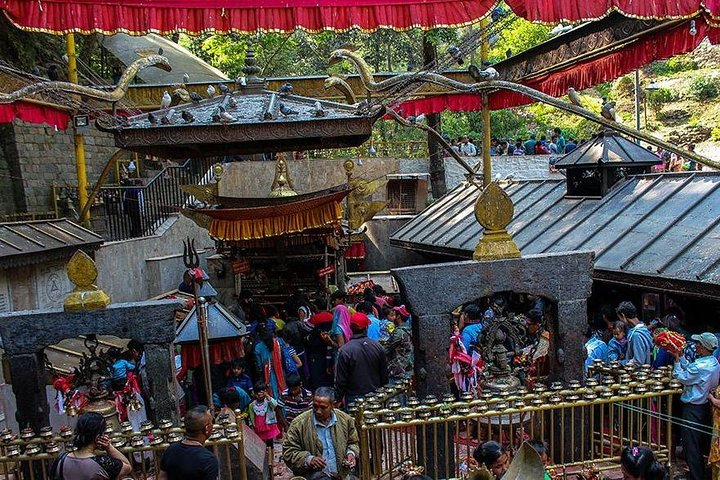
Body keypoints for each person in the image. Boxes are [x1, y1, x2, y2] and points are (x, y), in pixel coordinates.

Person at [282, 387, 360, 479]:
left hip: (341, 476)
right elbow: (288, 452)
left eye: (323, 407)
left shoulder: (346, 420)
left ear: (333, 405)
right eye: (315, 406)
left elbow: (353, 442)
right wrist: (308, 459)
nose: (318, 411)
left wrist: (351, 453)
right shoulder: (299, 424)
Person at [674, 332, 720, 480]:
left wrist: (676, 361)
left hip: (693, 408)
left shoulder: (701, 366)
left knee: (691, 445)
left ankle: (696, 476)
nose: (696, 346)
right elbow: (692, 369)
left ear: (705, 348)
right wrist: (681, 357)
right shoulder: (713, 362)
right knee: (698, 444)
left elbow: (682, 377)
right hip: (705, 406)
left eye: (699, 344)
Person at [50, 412, 131, 480]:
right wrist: (109, 447)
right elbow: (127, 467)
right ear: (98, 437)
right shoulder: (103, 463)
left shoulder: (61, 460)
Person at [335, 312, 389, 406]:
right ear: (366, 328)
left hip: (354, 398)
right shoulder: (377, 347)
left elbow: (341, 380)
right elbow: (384, 375)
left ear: (351, 328)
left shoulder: (345, 350)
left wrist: (339, 398)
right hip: (375, 396)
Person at [158, 406, 219, 480]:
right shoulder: (208, 459)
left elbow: (162, 477)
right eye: (212, 422)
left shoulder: (170, 450)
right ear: (207, 429)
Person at [248, 380, 287, 448]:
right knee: (261, 444)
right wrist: (252, 425)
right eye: (257, 393)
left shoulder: (268, 402)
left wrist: (267, 396)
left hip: (268, 425)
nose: (259, 395)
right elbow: (251, 416)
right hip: (258, 427)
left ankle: (271, 456)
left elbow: (275, 405)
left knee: (270, 444)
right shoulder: (252, 405)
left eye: (262, 392)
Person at [384, 301, 414, 383]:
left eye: (394, 315)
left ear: (398, 317)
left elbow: (387, 348)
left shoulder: (399, 332)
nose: (393, 317)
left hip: (398, 368)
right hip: (407, 365)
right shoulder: (408, 329)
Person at [616, 301, 652, 366]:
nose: (621, 321)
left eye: (620, 318)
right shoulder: (643, 327)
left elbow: (638, 362)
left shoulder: (636, 335)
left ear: (623, 316)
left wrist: (620, 363)